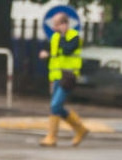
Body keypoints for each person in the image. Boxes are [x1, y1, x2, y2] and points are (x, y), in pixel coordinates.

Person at [38, 12, 88, 147]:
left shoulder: (74, 37)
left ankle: (52, 137)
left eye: (57, 25)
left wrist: (61, 35)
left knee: (55, 105)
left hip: (68, 77)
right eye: (54, 25)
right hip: (55, 77)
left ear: (64, 24)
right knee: (57, 106)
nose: (54, 28)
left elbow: (66, 50)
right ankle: (80, 129)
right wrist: (46, 55)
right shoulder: (55, 38)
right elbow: (55, 56)